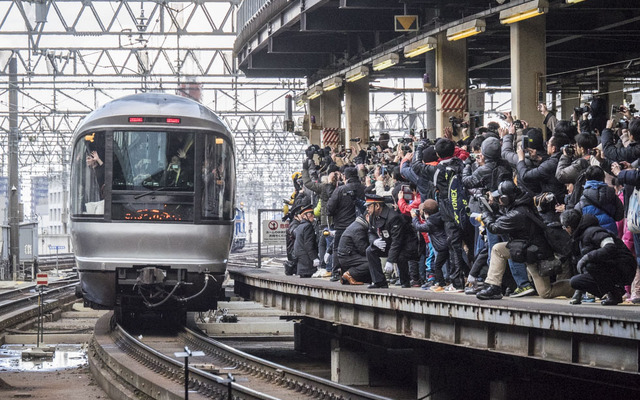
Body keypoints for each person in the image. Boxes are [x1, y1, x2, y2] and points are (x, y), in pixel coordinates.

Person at [561, 210, 636, 305]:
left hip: (625, 267)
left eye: (565, 227)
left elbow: (610, 246)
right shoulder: (580, 236)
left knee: (590, 265)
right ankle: (613, 292)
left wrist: (587, 257)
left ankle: (614, 292)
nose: (565, 230)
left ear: (569, 227)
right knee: (576, 281)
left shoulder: (593, 231)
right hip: (612, 266)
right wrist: (578, 292)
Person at [365, 194, 418, 289]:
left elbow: (397, 241)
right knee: (370, 250)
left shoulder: (393, 217)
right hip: (388, 243)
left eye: (369, 206)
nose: (367, 209)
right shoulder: (373, 216)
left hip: (404, 245)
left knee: (401, 256)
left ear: (377, 206)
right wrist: (374, 241)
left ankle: (405, 282)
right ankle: (379, 281)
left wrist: (390, 261)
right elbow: (370, 232)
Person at [336, 215, 372, 285]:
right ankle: (350, 274)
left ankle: (346, 276)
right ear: (367, 216)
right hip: (348, 257)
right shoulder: (359, 228)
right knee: (372, 262)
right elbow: (363, 249)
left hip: (347, 255)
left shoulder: (357, 225)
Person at [293, 204, 320, 278]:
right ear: (304, 216)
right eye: (310, 215)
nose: (312, 216)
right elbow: (308, 244)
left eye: (312, 214)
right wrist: (314, 258)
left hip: (301, 258)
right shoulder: (308, 226)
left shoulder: (300, 226)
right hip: (307, 259)